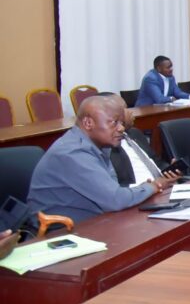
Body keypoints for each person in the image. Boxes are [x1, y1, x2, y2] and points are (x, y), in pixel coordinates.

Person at [27, 95, 176, 222]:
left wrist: (143, 189)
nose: (121, 128)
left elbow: (113, 193)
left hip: (92, 222)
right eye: (114, 122)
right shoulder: (72, 153)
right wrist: (154, 186)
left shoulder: (99, 146)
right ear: (88, 123)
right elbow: (116, 200)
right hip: (59, 233)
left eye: (122, 123)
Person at [110, 105, 182, 185]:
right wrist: (148, 187)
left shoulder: (135, 133)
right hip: (143, 190)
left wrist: (170, 171)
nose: (131, 112)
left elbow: (157, 162)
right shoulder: (109, 148)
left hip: (166, 185)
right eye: (126, 109)